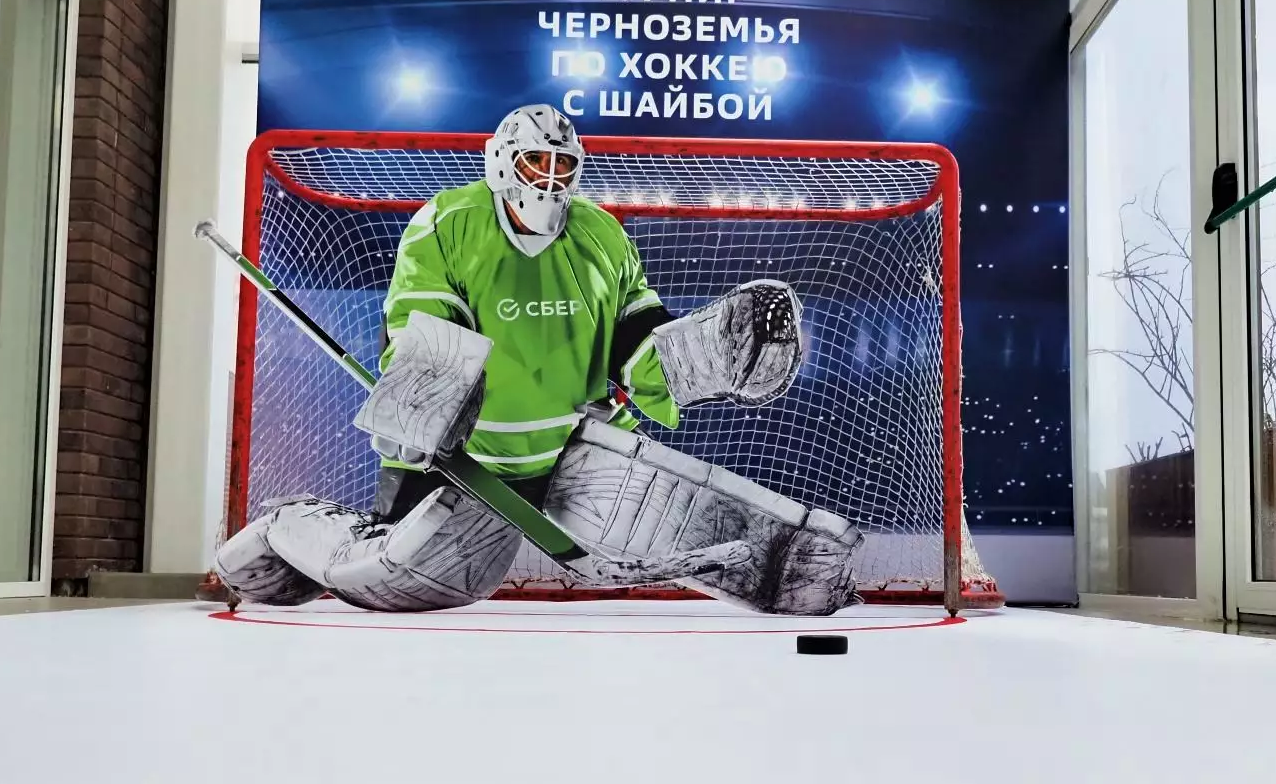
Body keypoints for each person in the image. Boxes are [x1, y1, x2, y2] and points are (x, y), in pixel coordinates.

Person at [213, 104, 863, 615]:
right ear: (502, 162)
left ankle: (796, 570)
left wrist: (701, 353)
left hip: (572, 448)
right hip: (460, 463)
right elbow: (423, 319)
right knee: (399, 583)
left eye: (559, 165)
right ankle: (285, 531)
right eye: (533, 165)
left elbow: (634, 330)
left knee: (747, 545)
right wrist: (425, 407)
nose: (547, 179)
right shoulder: (449, 221)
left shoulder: (599, 232)